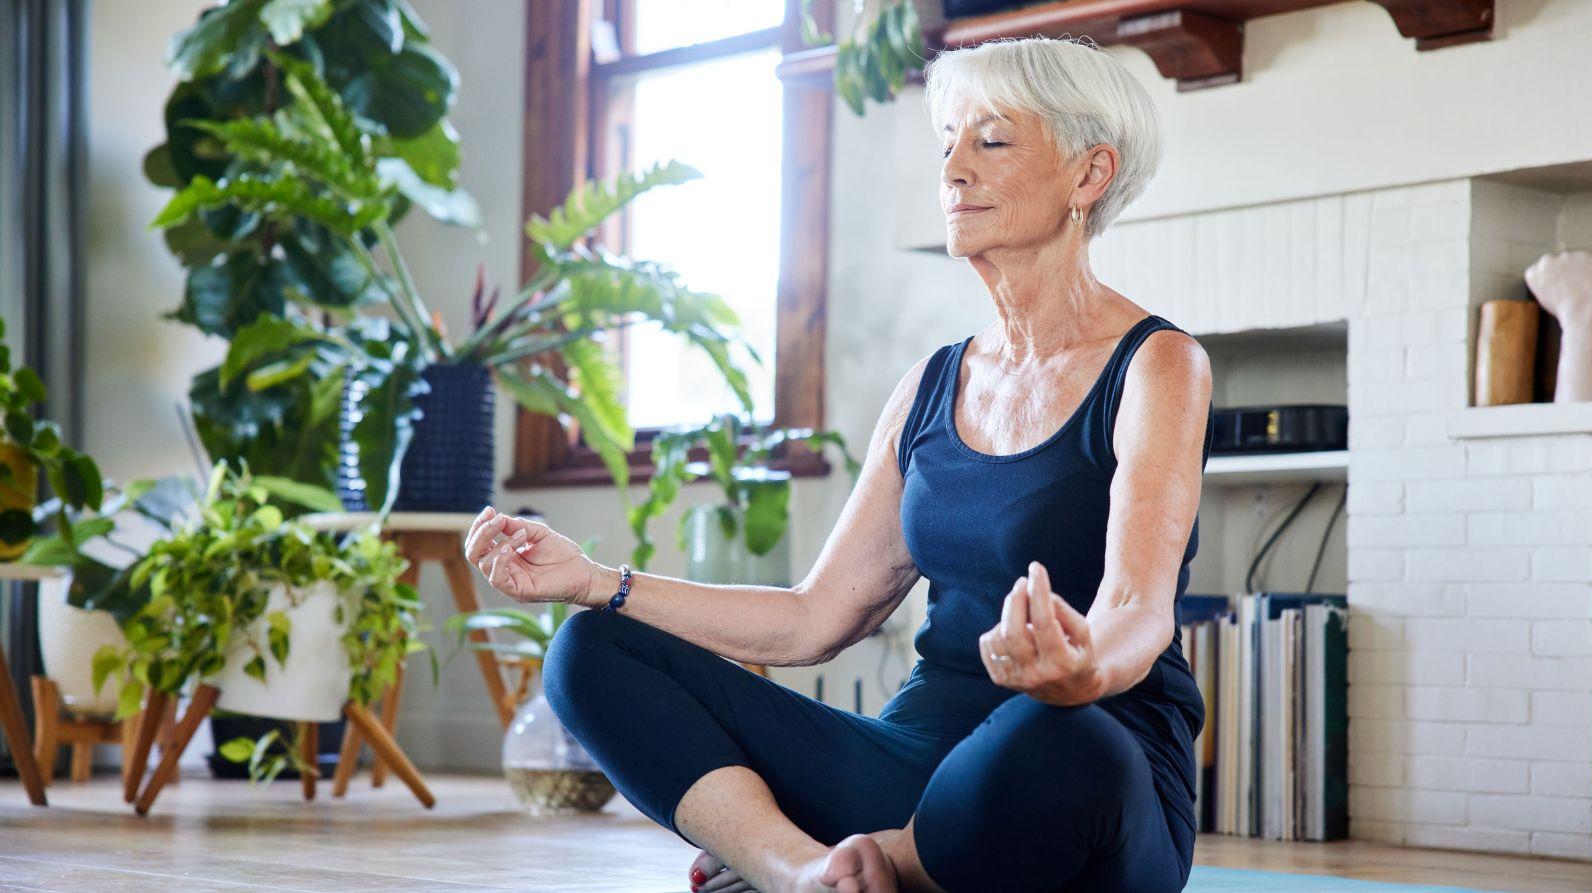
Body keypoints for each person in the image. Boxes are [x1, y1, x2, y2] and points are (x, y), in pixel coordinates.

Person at [464, 35, 1212, 893]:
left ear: (1088, 175)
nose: (954, 170)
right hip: (912, 758)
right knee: (591, 648)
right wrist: (596, 580)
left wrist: (1081, 669)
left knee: (1052, 737)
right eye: (947, 144)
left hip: (1083, 764)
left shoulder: (1156, 363)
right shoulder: (931, 385)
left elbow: (1135, 607)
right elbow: (812, 618)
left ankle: (875, 863)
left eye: (991, 141)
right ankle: (801, 872)